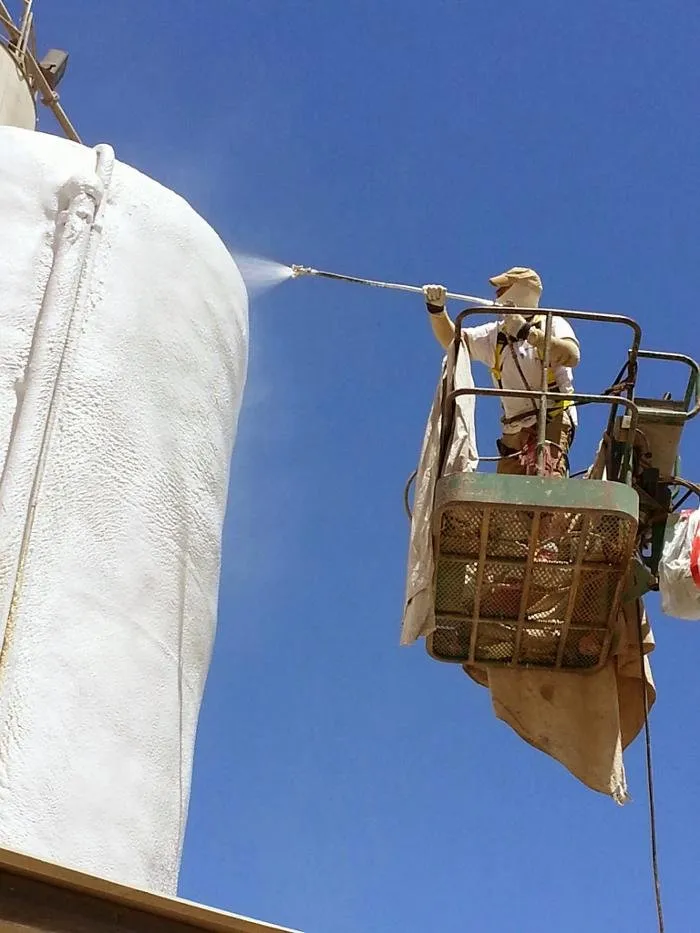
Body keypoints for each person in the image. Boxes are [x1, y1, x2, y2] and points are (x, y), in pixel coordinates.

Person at [423, 267, 580, 476]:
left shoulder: (551, 323)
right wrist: (438, 312)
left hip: (552, 418)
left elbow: (571, 355)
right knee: (508, 495)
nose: (497, 295)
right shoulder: (494, 335)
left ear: (522, 290)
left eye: (503, 288)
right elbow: (453, 341)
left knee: (547, 483)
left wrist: (527, 332)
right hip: (514, 430)